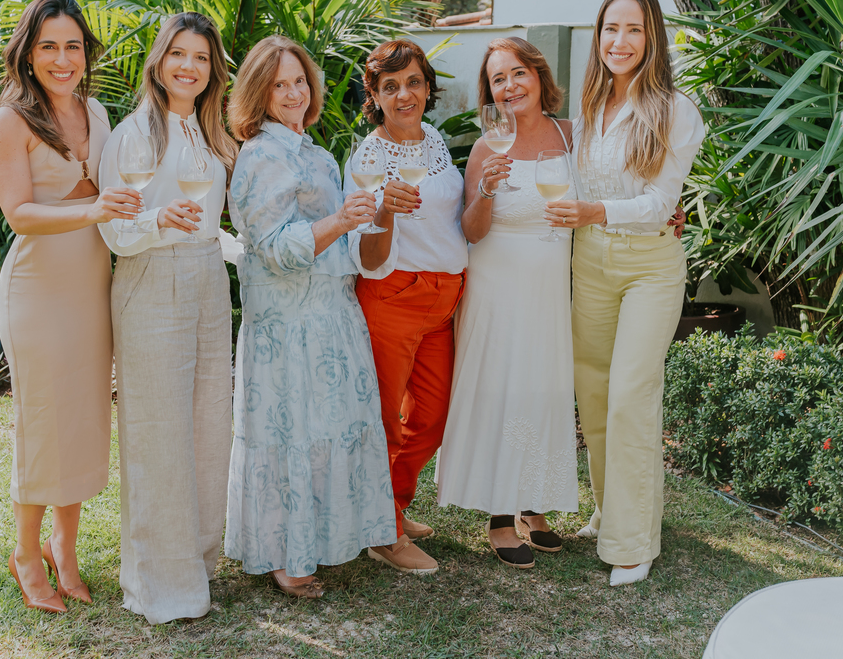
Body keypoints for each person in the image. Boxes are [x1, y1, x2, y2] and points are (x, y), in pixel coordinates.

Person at [545, 0, 706, 586]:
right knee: (593, 391)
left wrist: (594, 212)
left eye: (633, 29)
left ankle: (632, 542)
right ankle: (611, 507)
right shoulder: (589, 108)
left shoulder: (675, 110)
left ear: (652, 36)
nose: (620, 41)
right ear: (599, 35)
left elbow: (662, 202)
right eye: (611, 29)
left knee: (631, 395)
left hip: (649, 267)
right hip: (590, 262)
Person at [224, 35, 395, 598]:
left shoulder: (316, 154)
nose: (294, 92)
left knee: (325, 430)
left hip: (330, 316)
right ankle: (282, 552)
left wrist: (373, 220)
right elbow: (275, 247)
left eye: (300, 81)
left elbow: (346, 247)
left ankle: (322, 537)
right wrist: (344, 220)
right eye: (280, 84)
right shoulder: (260, 156)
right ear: (259, 93)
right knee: (291, 434)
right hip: (286, 326)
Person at [0, 0, 140, 612]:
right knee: (44, 422)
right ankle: (26, 553)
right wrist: (95, 207)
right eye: (48, 45)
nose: (61, 57)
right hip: (39, 292)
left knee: (81, 421)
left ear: (86, 53)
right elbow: (20, 215)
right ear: (28, 53)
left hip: (92, 289)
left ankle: (65, 547)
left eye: (72, 45)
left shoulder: (98, 113)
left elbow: (119, 189)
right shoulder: (12, 121)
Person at [97, 12, 239, 622]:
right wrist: (158, 221)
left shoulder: (209, 136)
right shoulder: (134, 135)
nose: (189, 66)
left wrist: (239, 246)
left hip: (208, 277)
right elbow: (113, 226)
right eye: (178, 54)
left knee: (209, 426)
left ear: (213, 70)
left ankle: (197, 564)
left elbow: (210, 220)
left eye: (202, 58)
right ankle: (159, 583)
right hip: (151, 279)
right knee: (157, 434)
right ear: (159, 62)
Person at [435, 37, 578, 569]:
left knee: (543, 388)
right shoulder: (485, 147)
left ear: (539, 77)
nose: (510, 85)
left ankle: (534, 504)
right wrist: (487, 191)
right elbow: (471, 231)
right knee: (502, 389)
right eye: (498, 79)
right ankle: (498, 513)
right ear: (490, 93)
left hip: (548, 289)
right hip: (496, 289)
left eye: (518, 73)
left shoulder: (570, 135)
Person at [344, 40, 467, 576]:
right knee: (385, 422)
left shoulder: (435, 141)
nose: (404, 94)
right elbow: (369, 259)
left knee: (433, 419)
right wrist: (384, 213)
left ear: (427, 87)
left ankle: (387, 503)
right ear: (374, 95)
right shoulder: (369, 157)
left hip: (444, 298)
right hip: (393, 296)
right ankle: (384, 532)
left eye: (413, 82)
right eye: (390, 86)